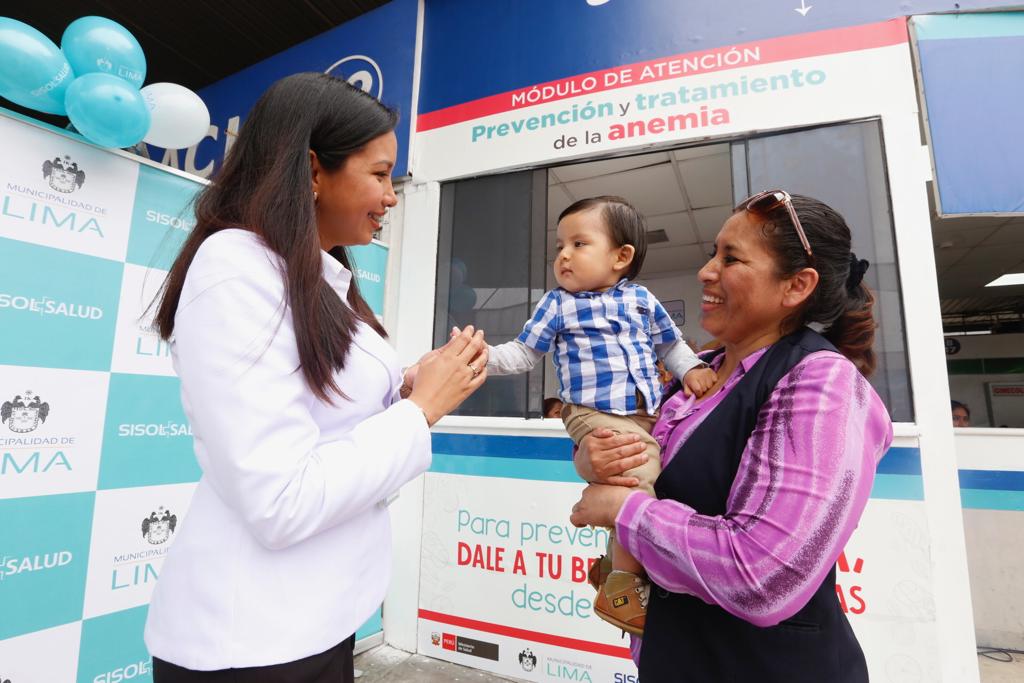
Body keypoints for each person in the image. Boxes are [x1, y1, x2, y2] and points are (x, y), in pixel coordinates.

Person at [144, 73, 488, 682]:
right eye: (380, 174)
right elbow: (280, 501)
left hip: (319, 621)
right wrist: (418, 413)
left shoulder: (321, 277)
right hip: (251, 645)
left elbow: (329, 420)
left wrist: (405, 392)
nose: (392, 196)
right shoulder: (235, 268)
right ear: (310, 171)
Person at [569, 190, 894, 682]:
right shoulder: (698, 377)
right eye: (711, 254)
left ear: (796, 286)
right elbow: (642, 461)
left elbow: (761, 575)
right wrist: (593, 460)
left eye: (731, 257)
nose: (706, 271)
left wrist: (622, 510)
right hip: (679, 657)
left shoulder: (822, 382)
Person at [484, 196, 716, 635]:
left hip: (645, 412)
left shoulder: (642, 300)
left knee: (646, 480)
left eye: (578, 243)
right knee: (637, 472)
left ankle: (610, 566)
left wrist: (694, 369)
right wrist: (481, 357)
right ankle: (623, 588)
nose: (563, 255)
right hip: (591, 411)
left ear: (620, 257)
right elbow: (523, 353)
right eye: (559, 247)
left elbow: (671, 344)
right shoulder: (557, 304)